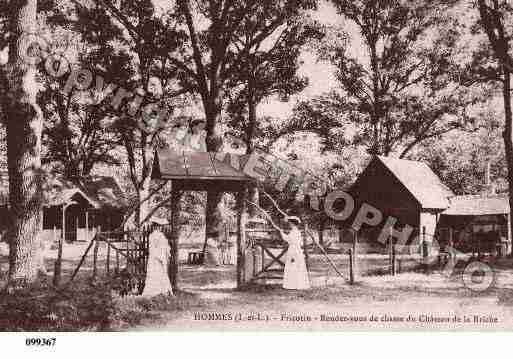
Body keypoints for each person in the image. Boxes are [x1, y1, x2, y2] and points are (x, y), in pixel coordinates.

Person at [247, 197, 310, 290]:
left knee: (294, 266)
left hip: (294, 250)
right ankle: (293, 284)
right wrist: (282, 232)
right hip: (294, 249)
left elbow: (288, 240)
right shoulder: (295, 231)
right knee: (293, 267)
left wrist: (281, 232)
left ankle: (296, 284)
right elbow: (289, 239)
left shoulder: (295, 231)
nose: (289, 224)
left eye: (290, 223)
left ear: (293, 224)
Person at [142, 219, 173, 297]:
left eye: (160, 226)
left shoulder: (160, 235)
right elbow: (153, 249)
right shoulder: (154, 236)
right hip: (156, 259)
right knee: (155, 275)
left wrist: (166, 253)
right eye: (158, 226)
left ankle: (163, 292)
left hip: (159, 257)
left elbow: (164, 247)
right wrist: (161, 258)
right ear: (155, 226)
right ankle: (154, 293)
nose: (159, 228)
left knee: (161, 275)